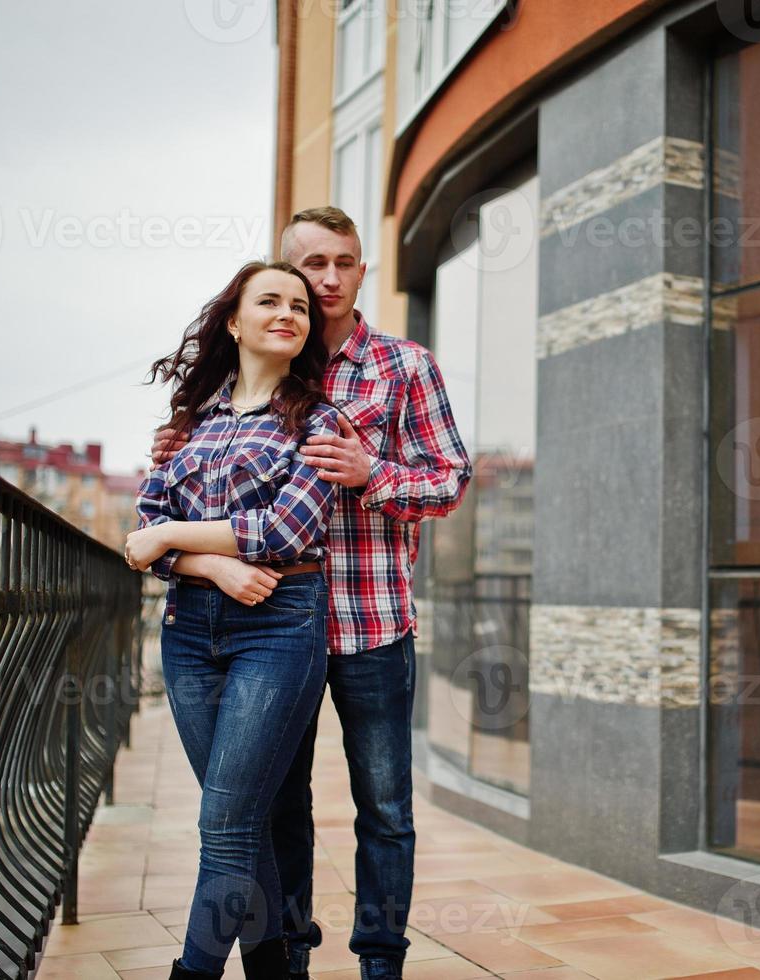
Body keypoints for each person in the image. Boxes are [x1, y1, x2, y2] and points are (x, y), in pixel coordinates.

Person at [151, 206, 471, 979]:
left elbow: (450, 478)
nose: (327, 279)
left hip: (370, 620)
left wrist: (374, 476)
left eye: (344, 262)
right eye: (311, 265)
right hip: (269, 621)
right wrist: (182, 453)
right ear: (286, 271)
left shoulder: (403, 366)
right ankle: (285, 956)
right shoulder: (258, 373)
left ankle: (379, 964)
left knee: (385, 809)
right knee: (273, 807)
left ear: (363, 270)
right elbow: (175, 502)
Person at [126, 261, 342, 980]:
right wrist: (207, 563)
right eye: (270, 301)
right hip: (188, 631)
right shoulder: (187, 425)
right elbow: (141, 536)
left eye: (300, 307)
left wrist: (172, 540)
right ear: (234, 321)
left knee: (224, 825)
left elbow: (286, 530)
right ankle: (274, 970)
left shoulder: (319, 419)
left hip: (278, 627)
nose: (288, 313)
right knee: (243, 827)